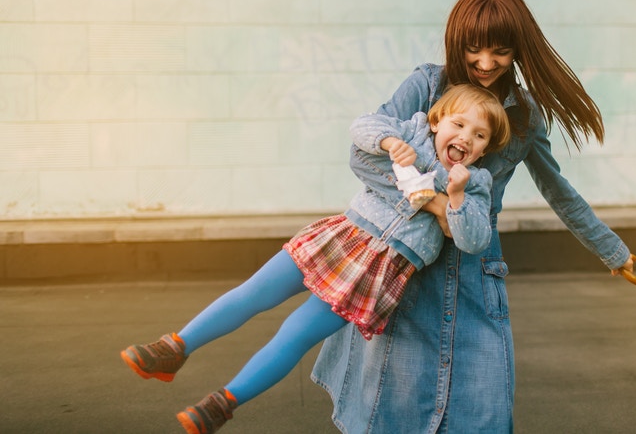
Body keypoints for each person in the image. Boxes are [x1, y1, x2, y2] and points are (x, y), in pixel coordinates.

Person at [312, 0, 636, 433]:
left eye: (500, 52)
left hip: (476, 266)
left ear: (517, 49)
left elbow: (557, 189)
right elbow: (362, 157)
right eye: (474, 50)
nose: (486, 64)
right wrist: (440, 207)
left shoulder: (523, 114)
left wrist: (611, 249)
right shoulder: (427, 84)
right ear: (457, 42)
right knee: (394, 408)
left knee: (482, 408)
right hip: (407, 261)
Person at [120, 84, 511, 434]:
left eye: (479, 136)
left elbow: (474, 239)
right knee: (254, 292)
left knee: (296, 334)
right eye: (458, 125)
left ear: (486, 148)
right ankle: (175, 348)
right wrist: (391, 144)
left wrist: (455, 198)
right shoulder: (411, 132)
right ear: (437, 120)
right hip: (343, 236)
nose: (465, 138)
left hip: (378, 273)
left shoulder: (475, 184)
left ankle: (222, 404)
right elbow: (363, 127)